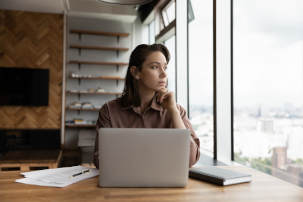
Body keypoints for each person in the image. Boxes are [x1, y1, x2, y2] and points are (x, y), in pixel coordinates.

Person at [93, 44, 200, 168]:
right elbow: (100, 160)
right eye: (155, 67)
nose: (164, 74)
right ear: (136, 72)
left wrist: (173, 111)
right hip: (122, 186)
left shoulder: (177, 110)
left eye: (165, 67)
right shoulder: (109, 111)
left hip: (166, 186)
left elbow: (190, 159)